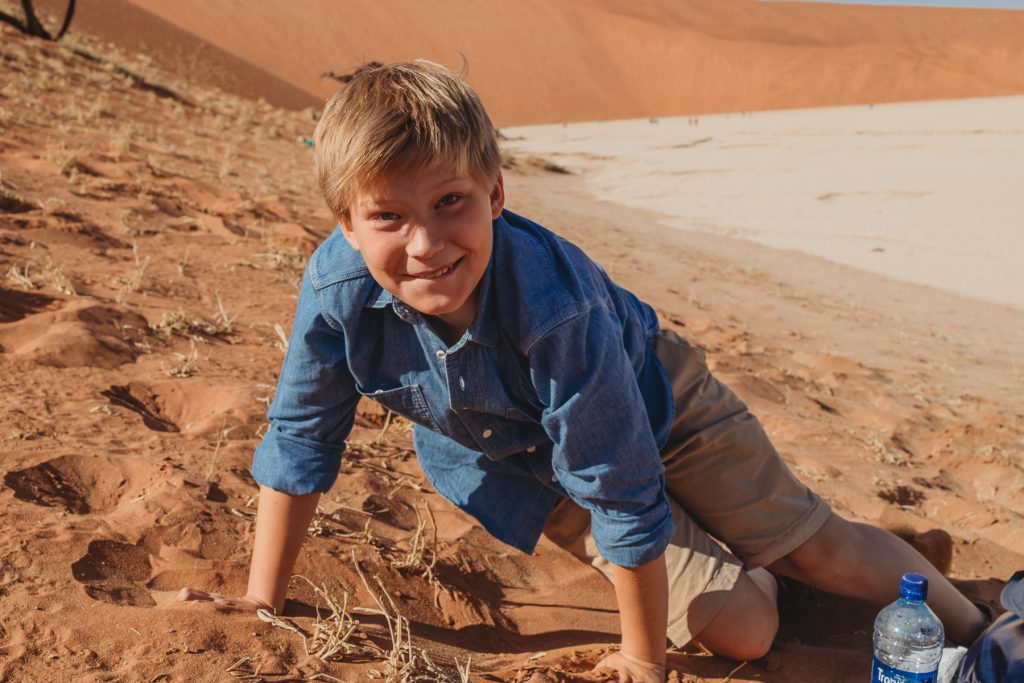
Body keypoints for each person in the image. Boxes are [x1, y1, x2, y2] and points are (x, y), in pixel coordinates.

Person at [178, 61, 988, 682]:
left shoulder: (554, 307)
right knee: (747, 632)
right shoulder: (335, 292)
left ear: (496, 192)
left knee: (823, 552)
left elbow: (624, 482)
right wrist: (262, 598)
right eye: (389, 215)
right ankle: (750, 570)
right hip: (515, 457)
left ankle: (982, 627)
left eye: (450, 202)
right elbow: (300, 440)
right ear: (347, 226)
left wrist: (642, 661)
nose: (425, 244)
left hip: (663, 407)